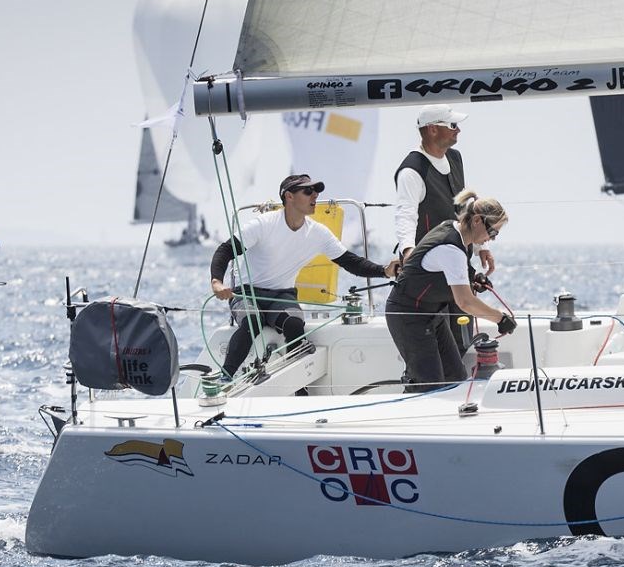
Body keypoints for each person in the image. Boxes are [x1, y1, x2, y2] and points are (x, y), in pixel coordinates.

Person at [210, 174, 400, 378]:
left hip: (281, 295)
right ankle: (225, 377)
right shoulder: (264, 224)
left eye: (316, 190)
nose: (315, 195)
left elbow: (350, 261)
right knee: (253, 322)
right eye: (308, 191)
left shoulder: (318, 233)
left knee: (294, 324)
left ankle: (300, 388)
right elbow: (225, 250)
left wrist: (384, 271)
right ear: (289, 196)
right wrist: (217, 283)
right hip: (246, 293)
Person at [386, 190, 517, 392]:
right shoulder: (452, 248)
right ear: (476, 221)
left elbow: (450, 271)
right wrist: (500, 319)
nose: (492, 238)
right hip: (408, 316)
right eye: (492, 232)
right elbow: (465, 302)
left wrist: (473, 278)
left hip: (432, 313)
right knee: (429, 385)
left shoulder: (454, 230)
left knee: (455, 377)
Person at [394, 104, 495, 275]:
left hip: (459, 259)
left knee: (464, 301)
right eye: (453, 125)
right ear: (433, 129)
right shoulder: (411, 171)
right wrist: (408, 251)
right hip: (428, 266)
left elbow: (464, 208)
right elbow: (406, 215)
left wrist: (481, 246)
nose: (458, 130)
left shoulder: (455, 157)